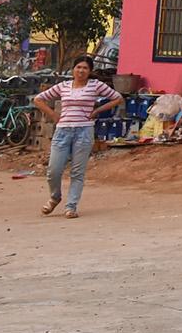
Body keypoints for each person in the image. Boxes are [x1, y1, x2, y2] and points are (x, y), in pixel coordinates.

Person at [34, 57, 119, 215]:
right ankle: (55, 197)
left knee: (77, 172)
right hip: (62, 132)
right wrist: (53, 115)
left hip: (84, 131)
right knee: (53, 170)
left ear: (90, 71)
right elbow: (38, 99)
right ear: (73, 69)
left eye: (85, 68)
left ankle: (71, 206)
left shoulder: (96, 85)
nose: (81, 71)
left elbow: (117, 98)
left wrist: (97, 111)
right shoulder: (63, 86)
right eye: (78, 67)